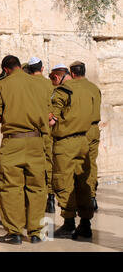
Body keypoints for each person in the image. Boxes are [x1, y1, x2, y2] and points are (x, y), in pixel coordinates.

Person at [0, 55, 50, 245]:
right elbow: (50, 115)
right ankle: (36, 232)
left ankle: (14, 232)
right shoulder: (41, 84)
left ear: (6, 69)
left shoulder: (2, 85)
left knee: (10, 187)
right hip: (36, 141)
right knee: (37, 187)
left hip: (13, 142)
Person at [49, 64, 94, 239]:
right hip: (83, 140)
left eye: (53, 79)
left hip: (65, 143)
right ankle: (85, 223)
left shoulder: (62, 91)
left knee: (64, 182)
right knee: (83, 183)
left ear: (58, 76)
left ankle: (68, 224)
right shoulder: (87, 89)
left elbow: (52, 120)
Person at [69, 61, 101, 212]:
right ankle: (92, 196)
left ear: (73, 74)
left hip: (82, 129)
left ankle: (80, 197)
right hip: (95, 129)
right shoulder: (94, 87)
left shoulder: (75, 88)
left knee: (79, 165)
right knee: (92, 163)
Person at [27, 57, 56, 213]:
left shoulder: (27, 85)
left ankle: (35, 201)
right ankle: (51, 199)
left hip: (31, 131)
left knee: (32, 166)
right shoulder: (49, 84)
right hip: (47, 128)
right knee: (48, 162)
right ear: (42, 68)